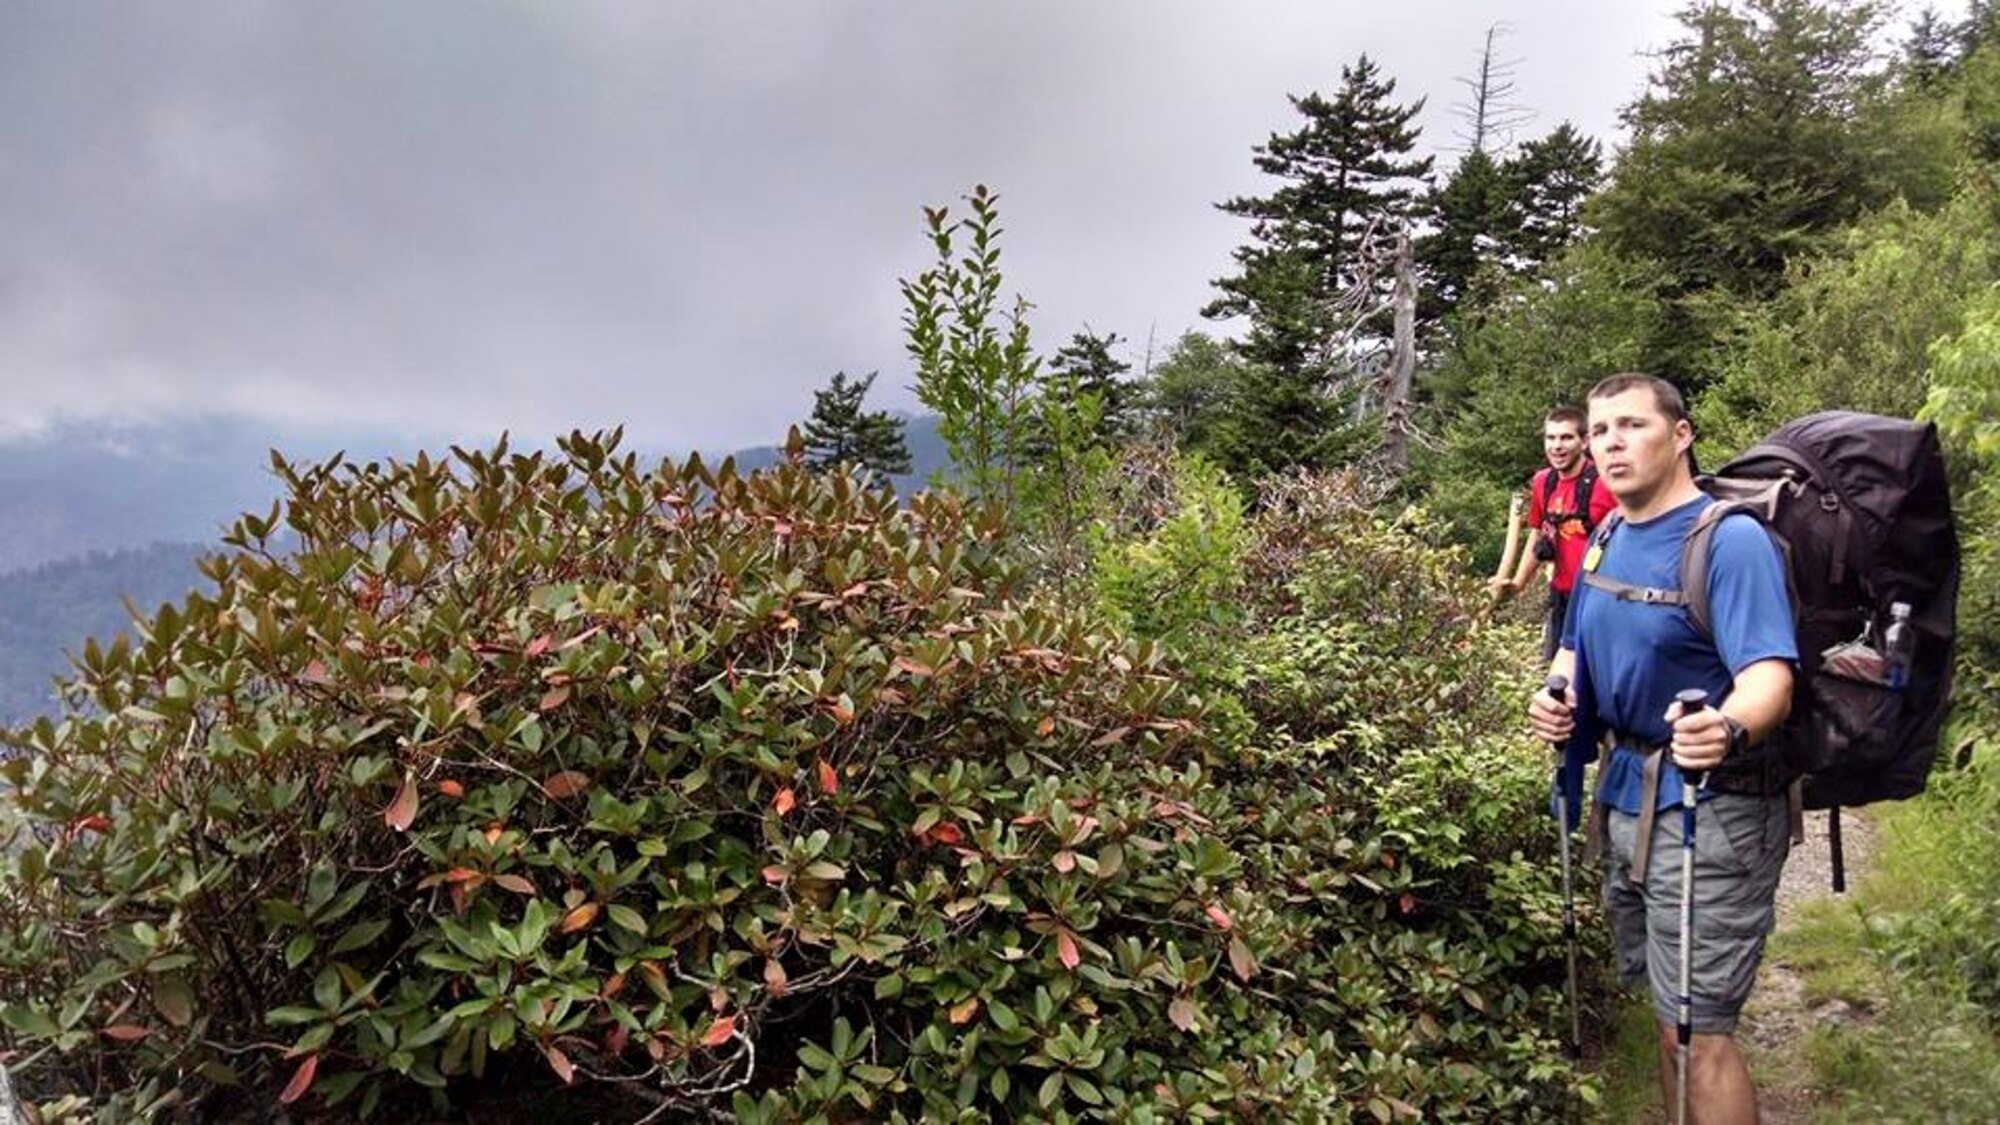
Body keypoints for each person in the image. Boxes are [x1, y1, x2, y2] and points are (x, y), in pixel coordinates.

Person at [1527, 374, 1797, 1125]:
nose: (1610, 442)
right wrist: (1555, 694)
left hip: (1712, 810)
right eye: (1600, 428)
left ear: (1680, 435)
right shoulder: (1610, 532)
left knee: (1699, 1029)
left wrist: (1728, 725)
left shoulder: (1728, 539)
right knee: (1667, 1011)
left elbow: (1770, 675)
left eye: (1630, 425)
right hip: (1624, 798)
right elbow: (1574, 644)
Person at [1491, 405, 1617, 663]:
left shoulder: (1606, 483)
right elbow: (1538, 536)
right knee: (1555, 676)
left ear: (1585, 442)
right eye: (1551, 438)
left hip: (1602, 600)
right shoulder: (1542, 482)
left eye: (1566, 437)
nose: (1557, 446)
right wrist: (1518, 584)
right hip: (1561, 597)